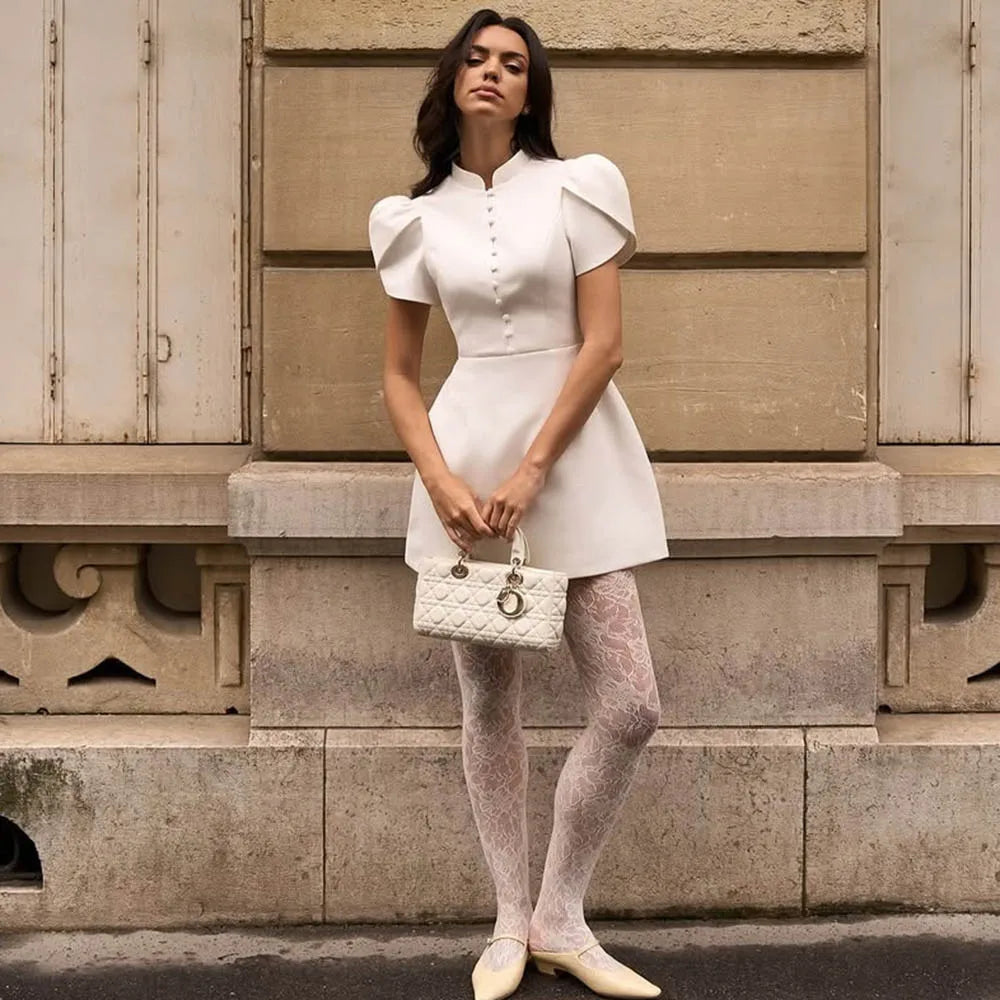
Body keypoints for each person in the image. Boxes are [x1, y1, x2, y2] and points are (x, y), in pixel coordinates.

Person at [368, 9, 670, 1000]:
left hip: (569, 457)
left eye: (512, 64)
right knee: (488, 702)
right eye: (476, 58)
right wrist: (443, 483)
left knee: (630, 705)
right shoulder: (410, 217)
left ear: (531, 89)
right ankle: (509, 919)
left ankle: (561, 914)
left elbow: (603, 344)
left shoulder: (580, 183)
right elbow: (401, 378)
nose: (493, 73)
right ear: (451, 78)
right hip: (462, 460)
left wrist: (533, 468)